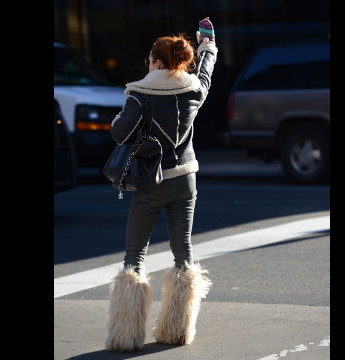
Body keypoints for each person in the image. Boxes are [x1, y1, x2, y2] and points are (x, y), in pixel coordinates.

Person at [104, 17, 218, 352]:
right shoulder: (194, 89)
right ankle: (177, 331)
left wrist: (122, 114)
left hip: (150, 183)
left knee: (134, 255)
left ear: (155, 62)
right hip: (186, 180)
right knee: (183, 253)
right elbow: (206, 70)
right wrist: (207, 43)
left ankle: (125, 336)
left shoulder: (141, 93)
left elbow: (119, 133)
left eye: (149, 61)